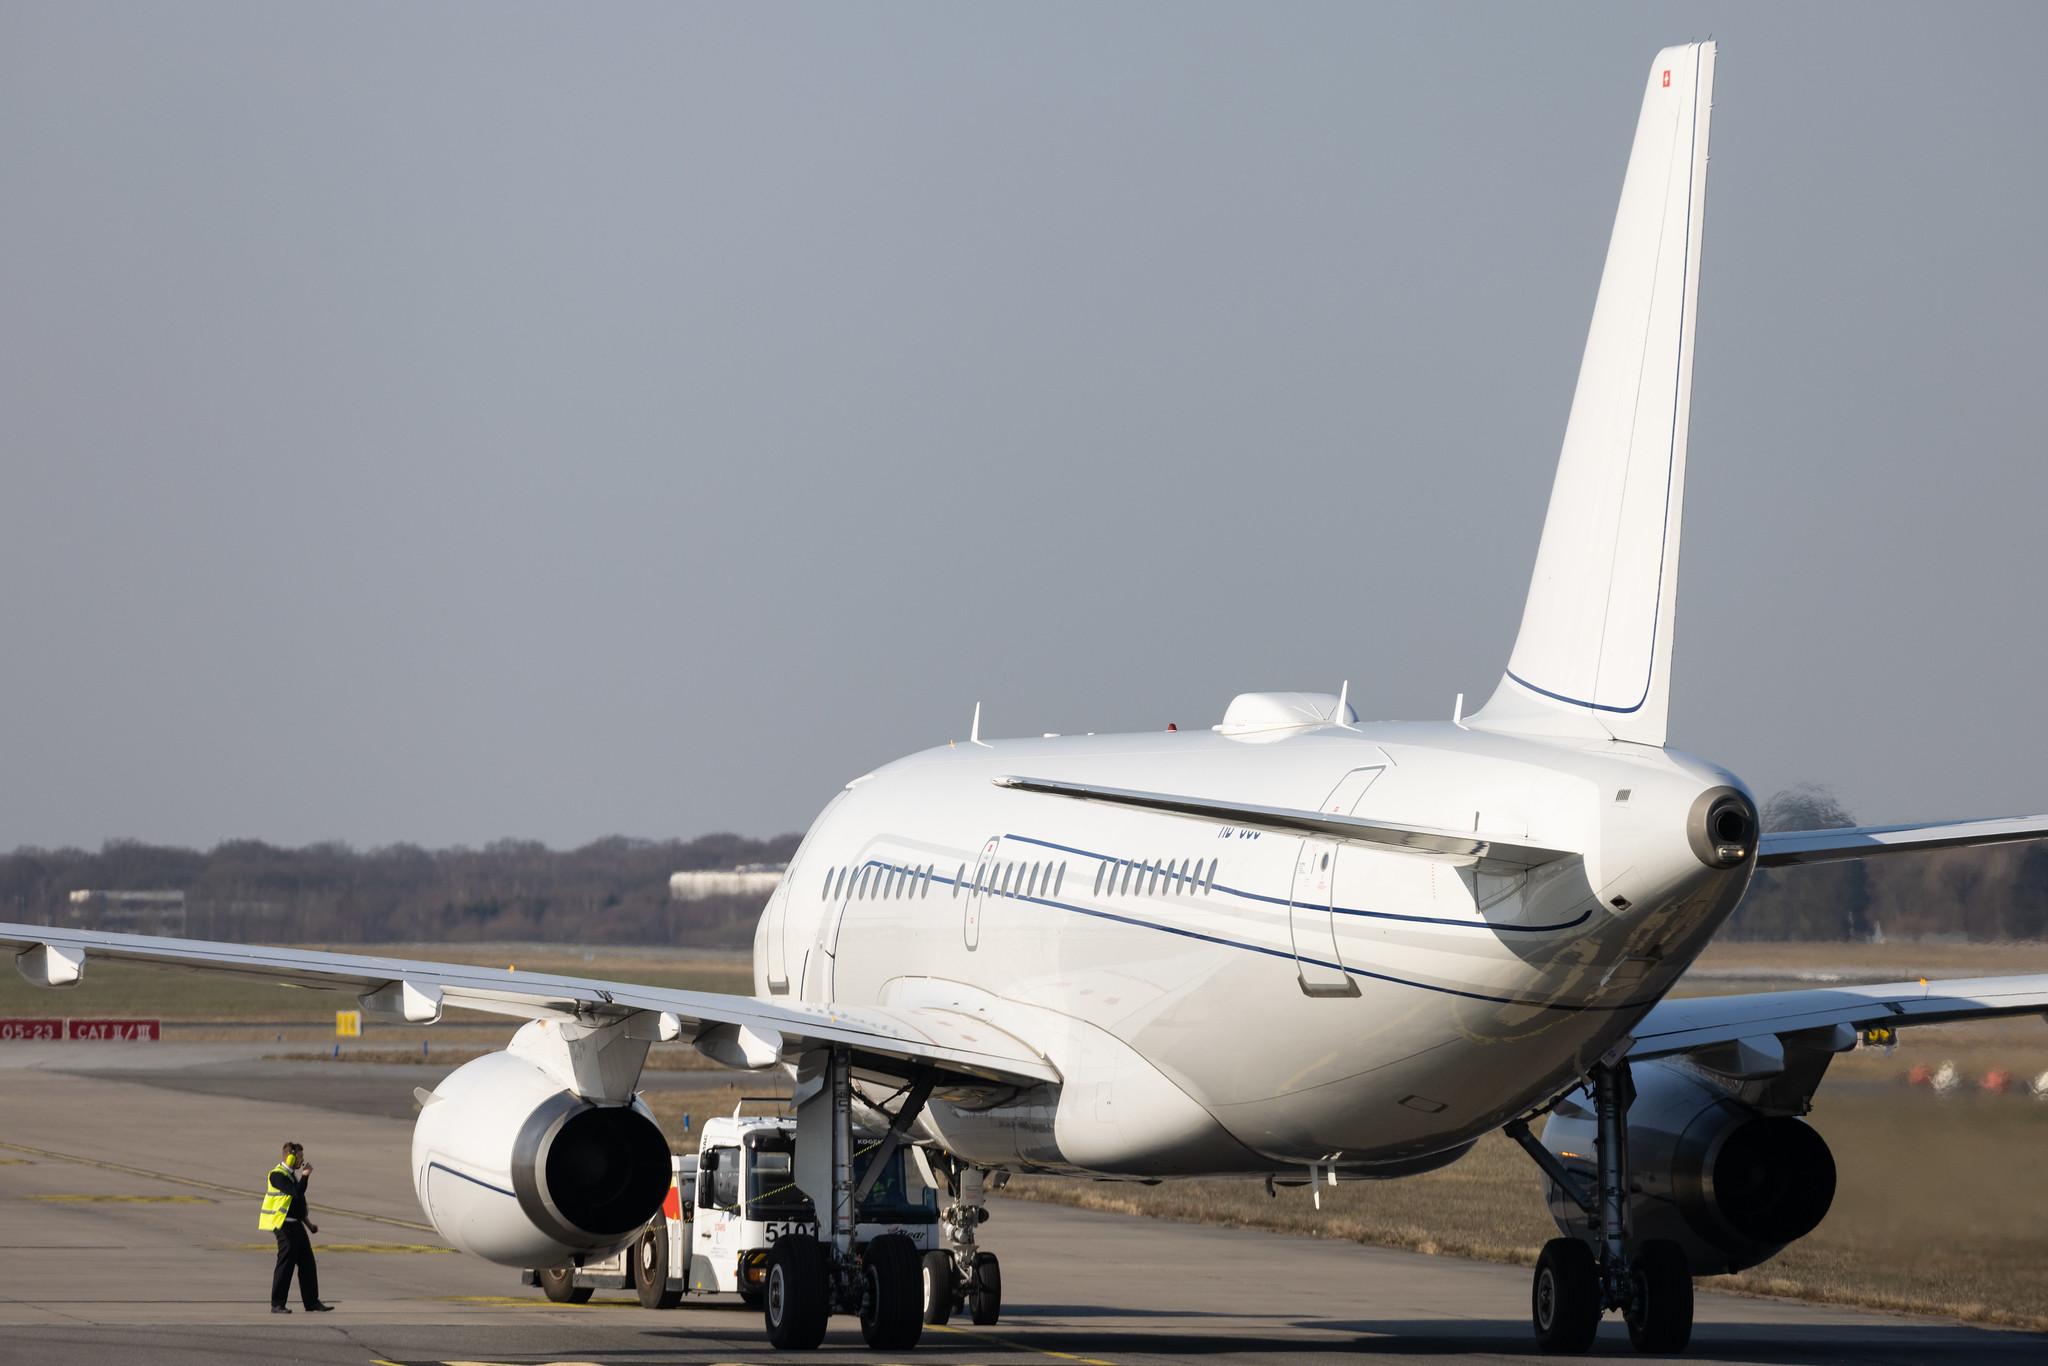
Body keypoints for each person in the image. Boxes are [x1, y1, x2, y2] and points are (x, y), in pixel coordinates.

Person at [258, 1141, 333, 1313]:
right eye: (300, 1157)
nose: (302, 1161)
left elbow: (297, 1205)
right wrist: (306, 1176)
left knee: (308, 1262)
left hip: (296, 1225)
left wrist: (309, 1224)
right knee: (286, 1263)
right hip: (282, 1225)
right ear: (290, 1157)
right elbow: (297, 1192)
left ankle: (312, 1302)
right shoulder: (277, 1175)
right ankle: (277, 1303)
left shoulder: (291, 1175)